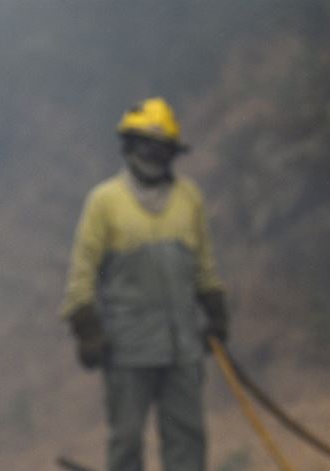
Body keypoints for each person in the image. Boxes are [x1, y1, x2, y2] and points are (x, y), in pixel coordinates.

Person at [59, 97, 228, 471]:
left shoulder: (189, 198)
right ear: (130, 146)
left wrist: (215, 313)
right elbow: (81, 275)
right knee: (126, 440)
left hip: (182, 347)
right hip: (126, 349)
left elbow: (204, 268)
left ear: (172, 151)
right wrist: (87, 331)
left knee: (187, 439)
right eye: (145, 143)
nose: (153, 152)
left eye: (161, 146)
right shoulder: (104, 202)